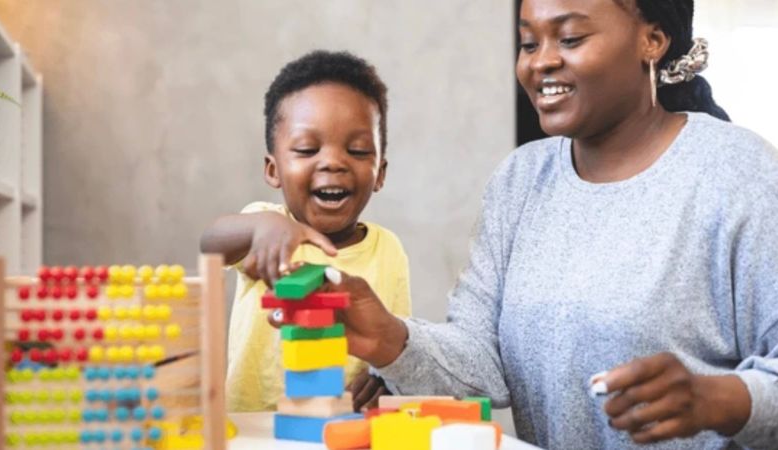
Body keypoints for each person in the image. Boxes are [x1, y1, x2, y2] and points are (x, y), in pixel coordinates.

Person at [309, 0, 778, 448]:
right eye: (529, 43)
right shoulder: (521, 180)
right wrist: (390, 338)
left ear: (652, 40)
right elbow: (481, 365)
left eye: (570, 38)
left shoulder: (737, 172)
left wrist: (718, 398)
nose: (541, 63)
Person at [200, 50, 411, 412]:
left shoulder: (388, 250)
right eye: (307, 149)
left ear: (380, 173)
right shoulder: (263, 224)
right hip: (252, 431)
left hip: (339, 430)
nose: (333, 162)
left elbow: (397, 343)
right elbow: (210, 243)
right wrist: (261, 229)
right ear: (273, 169)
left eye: (358, 151)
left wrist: (384, 379)